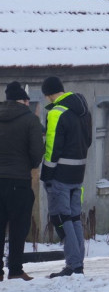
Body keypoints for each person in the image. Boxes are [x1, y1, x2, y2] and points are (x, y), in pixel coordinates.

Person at [39, 76, 92, 279]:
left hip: (60, 174)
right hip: (78, 172)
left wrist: (47, 174)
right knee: (74, 217)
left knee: (61, 218)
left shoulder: (56, 112)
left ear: (49, 94)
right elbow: (88, 141)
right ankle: (78, 263)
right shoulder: (83, 109)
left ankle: (73, 264)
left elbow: (52, 147)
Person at [0, 82, 43, 281]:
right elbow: (36, 155)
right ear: (24, 100)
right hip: (19, 181)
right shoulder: (30, 120)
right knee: (18, 226)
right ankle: (15, 269)